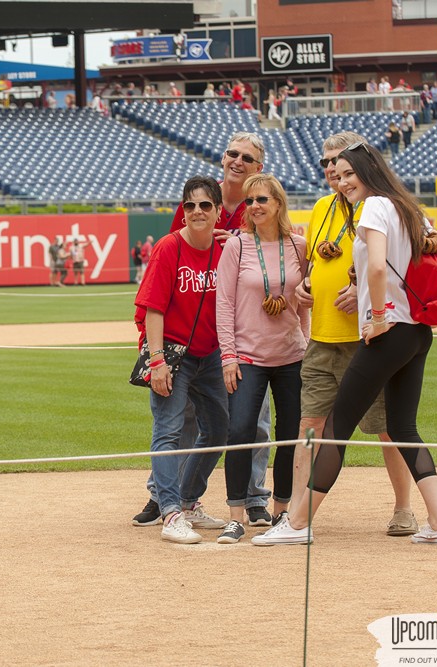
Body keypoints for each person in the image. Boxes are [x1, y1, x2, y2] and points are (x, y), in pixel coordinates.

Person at [253, 141, 437, 547]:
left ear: (369, 172)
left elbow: (379, 265)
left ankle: (297, 524)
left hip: (388, 332)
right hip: (418, 332)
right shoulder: (408, 207)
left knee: (335, 427)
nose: (344, 180)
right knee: (403, 428)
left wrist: (380, 317)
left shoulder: (373, 207)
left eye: (351, 173)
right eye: (340, 173)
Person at [133, 132, 274, 528]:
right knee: (179, 423)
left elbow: (286, 244)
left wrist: (243, 244)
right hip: (182, 346)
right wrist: (156, 356)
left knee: (247, 420)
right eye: (232, 153)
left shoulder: (260, 203)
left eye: (247, 157)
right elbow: (161, 292)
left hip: (235, 339)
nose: (238, 161)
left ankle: (250, 496)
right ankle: (166, 499)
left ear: (258, 168)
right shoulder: (189, 218)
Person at [293, 131, 418, 538]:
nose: (332, 170)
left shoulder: (375, 206)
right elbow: (315, 259)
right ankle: (295, 513)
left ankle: (403, 508)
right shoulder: (323, 207)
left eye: (340, 162)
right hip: (322, 336)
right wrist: (304, 286)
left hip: (365, 337)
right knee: (309, 424)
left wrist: (360, 290)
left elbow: (391, 262)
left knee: (385, 427)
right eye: (327, 163)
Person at [214, 174, 308, 544]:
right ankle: (236, 516)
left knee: (289, 436)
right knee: (239, 432)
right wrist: (228, 355)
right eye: (250, 201)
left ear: (278, 204)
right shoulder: (237, 246)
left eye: (262, 200)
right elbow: (224, 303)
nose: (254, 206)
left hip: (291, 355)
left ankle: (282, 510)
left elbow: (303, 301)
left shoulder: (298, 246)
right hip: (248, 356)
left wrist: (307, 339)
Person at [134, 175, 228, 544]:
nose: (197, 212)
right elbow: (153, 309)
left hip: (212, 354)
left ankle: (188, 501)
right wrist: (157, 362)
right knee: (169, 430)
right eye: (190, 205)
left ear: (219, 211)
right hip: (173, 353)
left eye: (205, 205)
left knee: (220, 429)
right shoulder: (168, 248)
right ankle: (170, 511)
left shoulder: (227, 249)